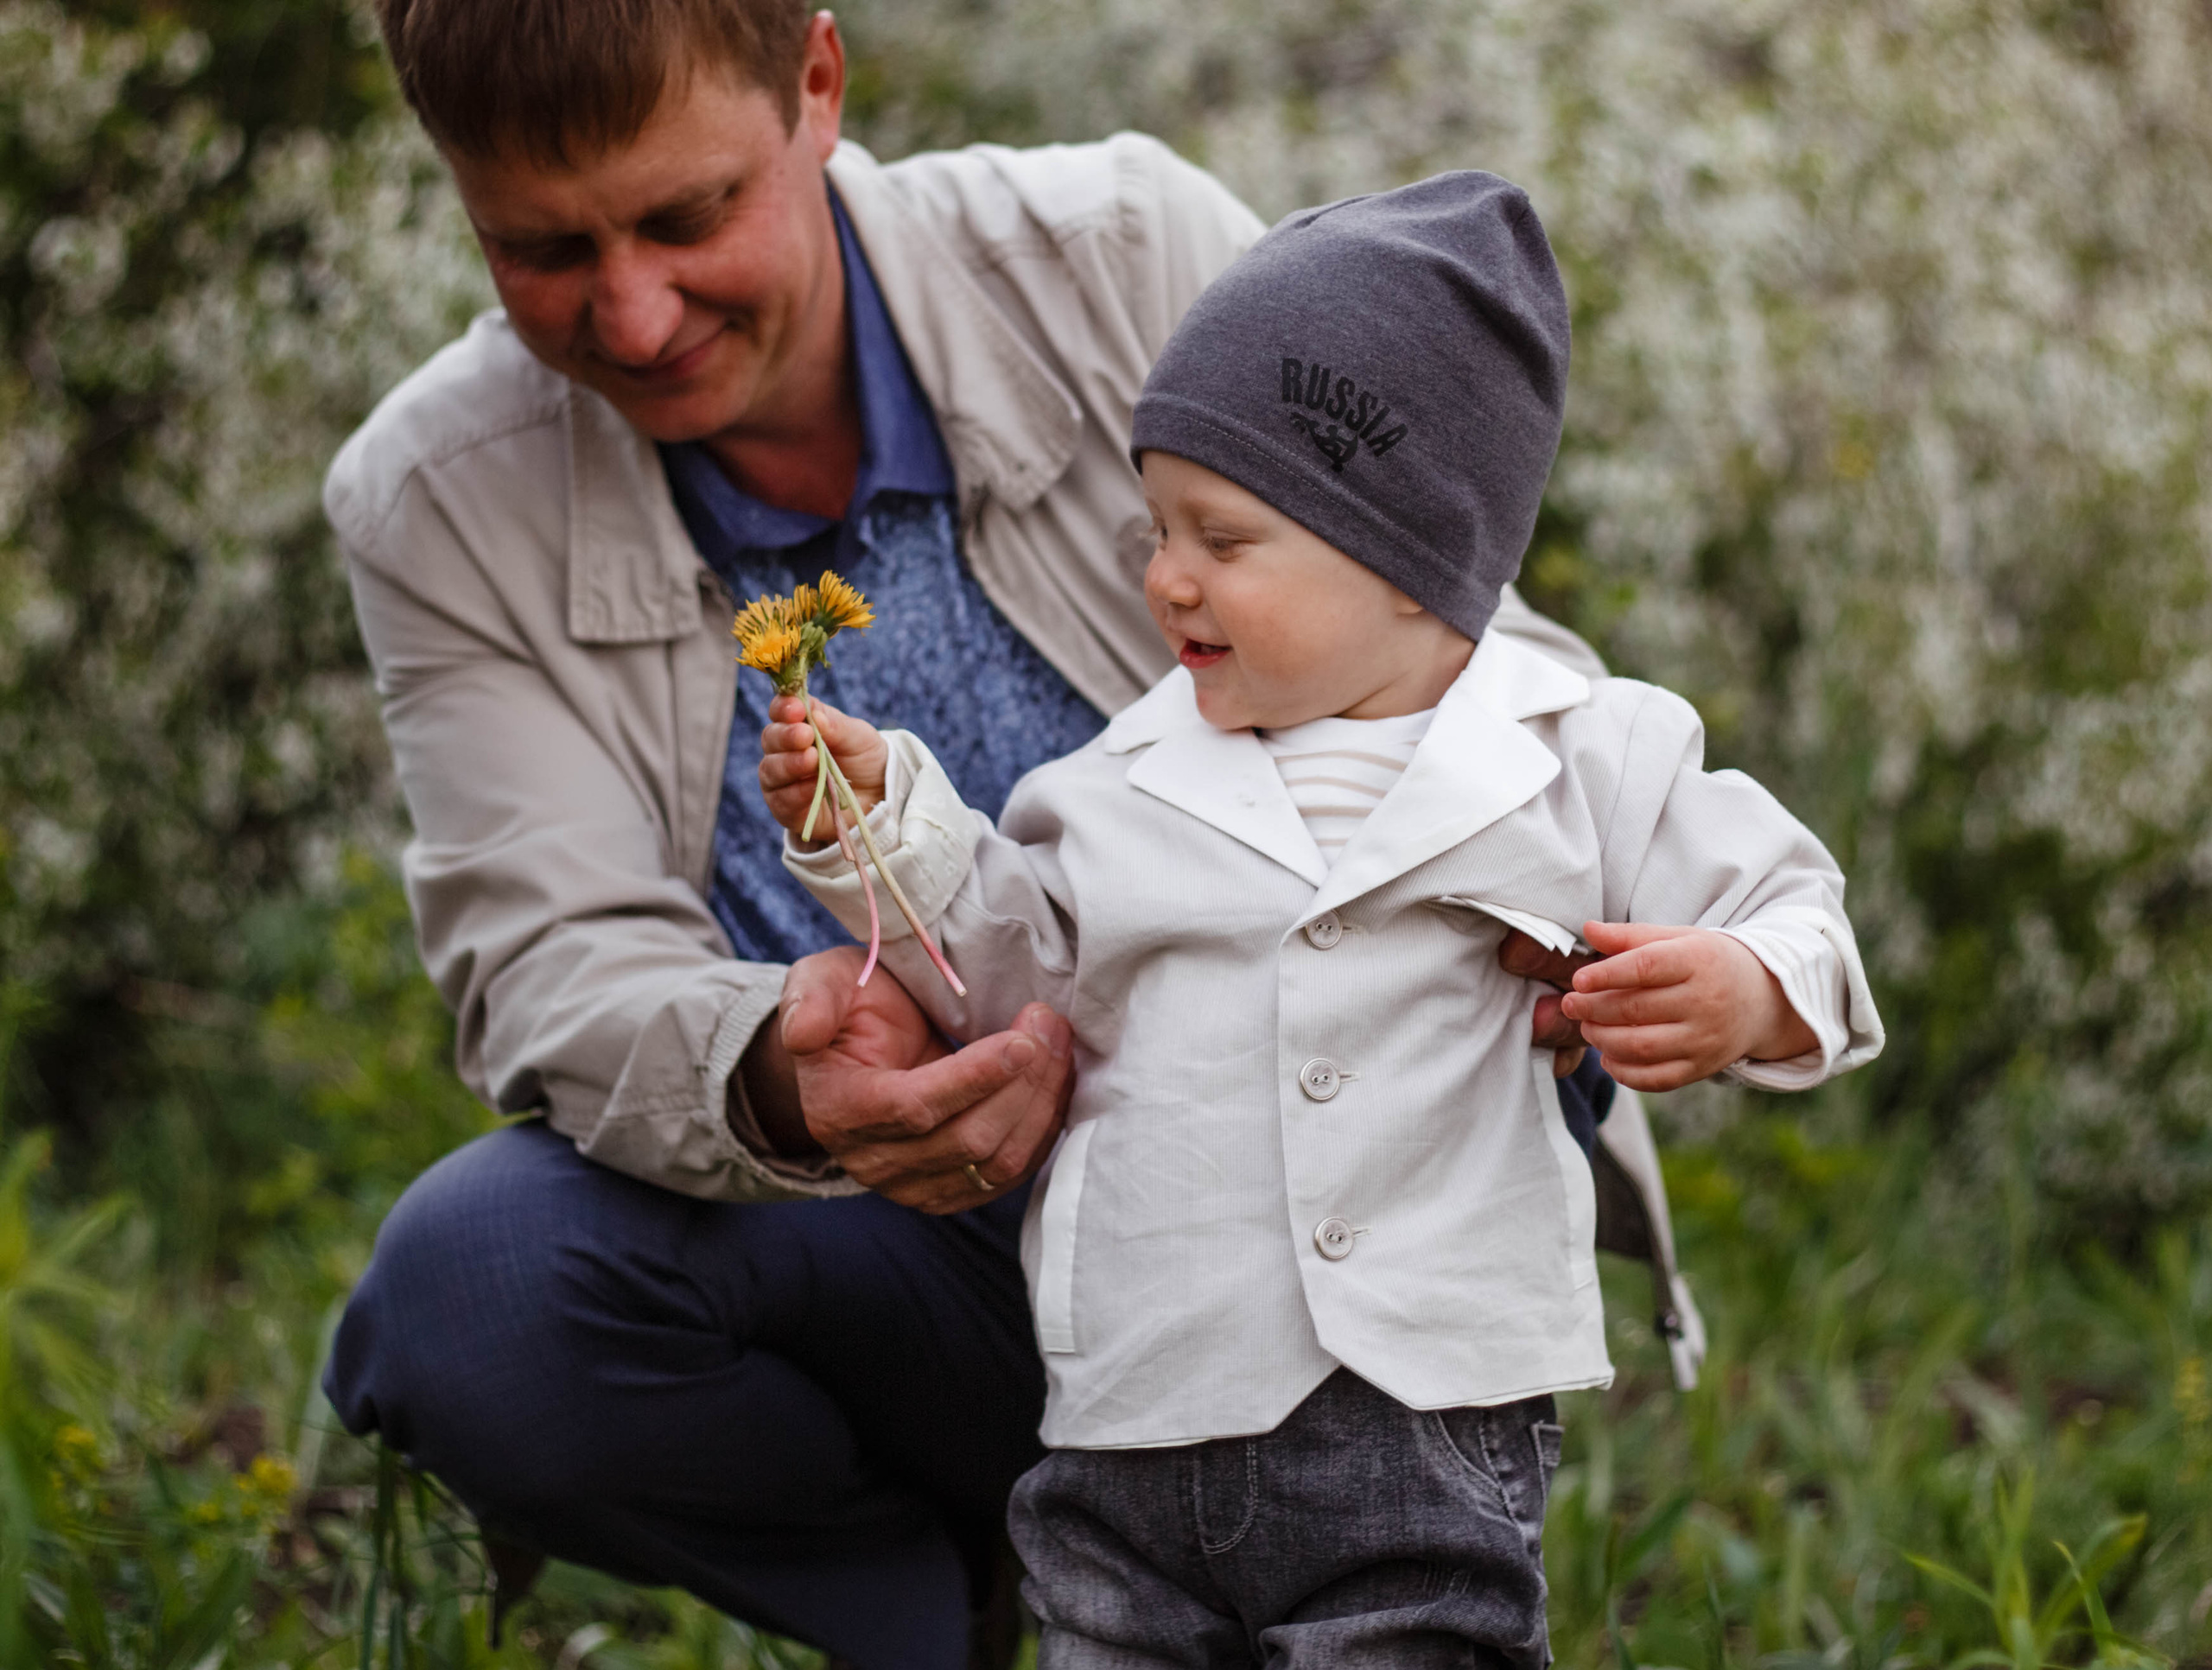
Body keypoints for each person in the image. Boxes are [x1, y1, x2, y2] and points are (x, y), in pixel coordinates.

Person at [319, 1, 1679, 1663]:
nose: (636, 310)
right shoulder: (436, 500)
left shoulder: (1120, 253)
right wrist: (776, 1068)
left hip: (1307, 1218)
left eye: (686, 218)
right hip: (901, 1261)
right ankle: (949, 1611)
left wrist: (1569, 910)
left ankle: (1378, 1544)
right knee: (475, 1291)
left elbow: (1484, 650)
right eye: (540, 249)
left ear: (816, 85)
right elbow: (549, 959)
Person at [760, 173, 1885, 1666]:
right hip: (1135, 1418)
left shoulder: (1579, 750)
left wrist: (1746, 986)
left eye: (1222, 538)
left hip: (1421, 1417)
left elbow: (1797, 905)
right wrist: (885, 822)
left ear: (1413, 551)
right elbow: (1007, 975)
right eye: (1158, 527)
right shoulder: (1115, 779)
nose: (1167, 578)